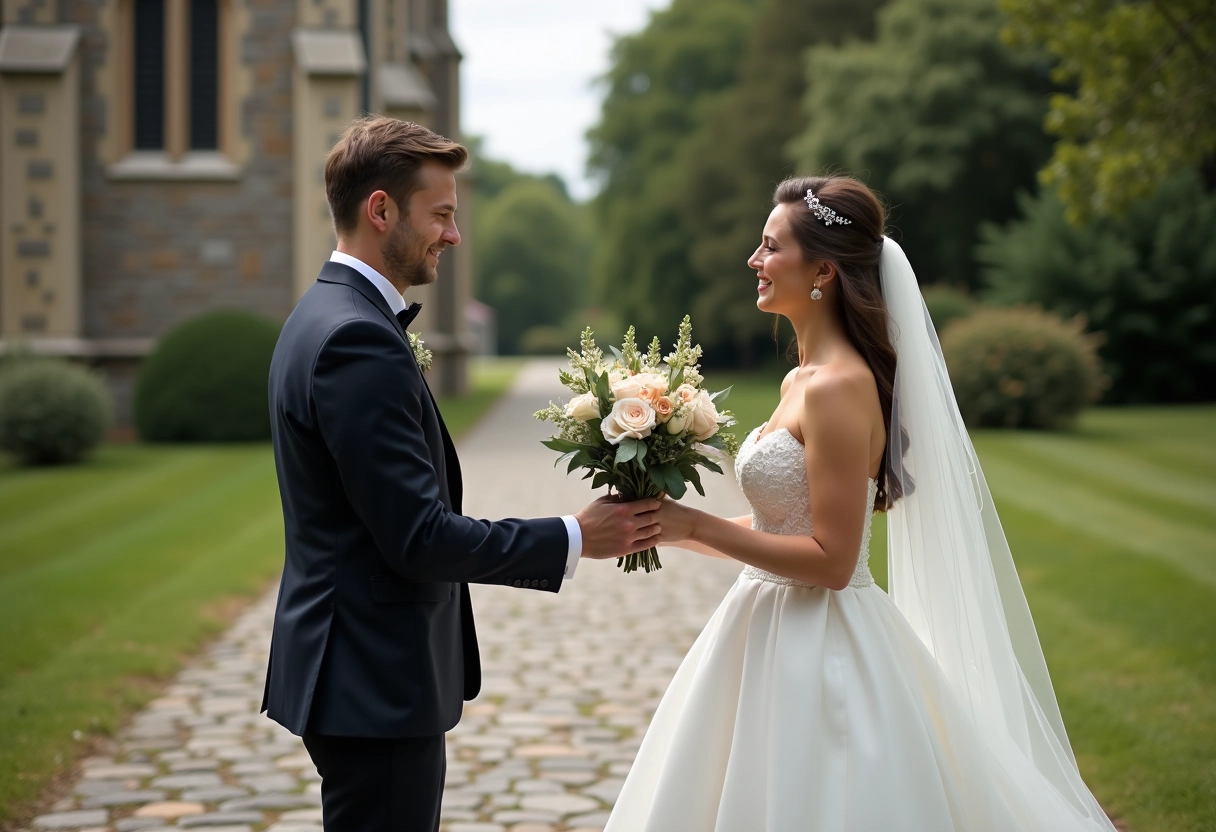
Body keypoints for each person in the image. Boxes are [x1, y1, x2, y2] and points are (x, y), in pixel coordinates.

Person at [604, 175, 1119, 831]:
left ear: (823, 270)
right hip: (761, 627)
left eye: (771, 247)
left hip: (820, 647)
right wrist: (666, 527)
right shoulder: (799, 380)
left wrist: (695, 523)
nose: (754, 261)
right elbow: (780, 527)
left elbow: (832, 561)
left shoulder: (837, 388)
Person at [261, 116, 660, 832]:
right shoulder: (356, 339)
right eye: (440, 214)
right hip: (373, 678)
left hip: (353, 671)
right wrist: (575, 535)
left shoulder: (324, 313)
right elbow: (419, 538)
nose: (454, 235)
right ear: (380, 209)